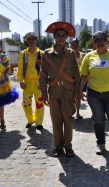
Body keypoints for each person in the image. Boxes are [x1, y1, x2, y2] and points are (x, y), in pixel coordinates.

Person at [79, 31, 109, 155]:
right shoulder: (88, 56)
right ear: (93, 42)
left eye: (102, 39)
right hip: (94, 95)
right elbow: (84, 76)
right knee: (99, 121)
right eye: (96, 40)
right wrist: (79, 90)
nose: (100, 42)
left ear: (107, 41)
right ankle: (101, 144)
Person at [39, 21, 80, 158]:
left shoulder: (71, 54)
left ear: (67, 37)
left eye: (63, 35)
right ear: (54, 37)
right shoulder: (46, 54)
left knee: (68, 120)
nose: (61, 37)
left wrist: (77, 93)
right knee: (56, 121)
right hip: (54, 92)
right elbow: (43, 76)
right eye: (58, 35)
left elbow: (76, 74)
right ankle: (58, 147)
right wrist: (44, 94)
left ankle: (68, 147)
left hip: (68, 92)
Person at [17, 32, 44, 130]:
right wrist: (21, 81)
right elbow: (20, 68)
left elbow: (45, 70)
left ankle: (38, 122)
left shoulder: (42, 54)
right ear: (26, 41)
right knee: (26, 104)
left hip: (38, 83)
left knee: (39, 104)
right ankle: (30, 119)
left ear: (36, 40)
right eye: (29, 39)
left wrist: (43, 83)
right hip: (27, 84)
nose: (31, 41)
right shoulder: (23, 54)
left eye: (33, 39)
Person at [70, 38, 84, 120]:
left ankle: (78, 113)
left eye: (76, 45)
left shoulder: (82, 55)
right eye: (73, 45)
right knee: (69, 97)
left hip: (79, 79)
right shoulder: (67, 54)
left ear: (78, 46)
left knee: (78, 97)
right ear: (70, 45)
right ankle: (70, 112)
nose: (74, 46)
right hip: (69, 79)